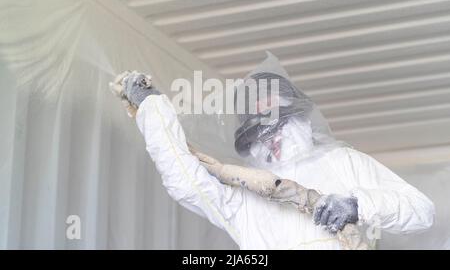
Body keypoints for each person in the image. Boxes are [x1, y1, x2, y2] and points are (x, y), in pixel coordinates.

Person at [121, 54, 435, 249]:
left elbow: (421, 211)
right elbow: (185, 179)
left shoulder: (344, 162)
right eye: (258, 129)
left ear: (299, 115)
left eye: (278, 122)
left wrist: (357, 205)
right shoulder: (245, 197)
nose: (271, 137)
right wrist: (152, 108)